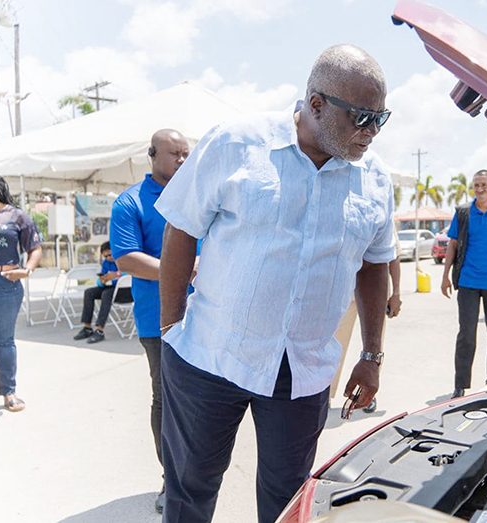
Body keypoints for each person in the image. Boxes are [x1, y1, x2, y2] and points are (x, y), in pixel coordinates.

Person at [155, 44, 395, 523]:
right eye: (361, 117)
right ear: (317, 103)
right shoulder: (235, 144)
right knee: (190, 493)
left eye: (380, 118)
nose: (370, 132)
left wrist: (371, 355)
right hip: (209, 357)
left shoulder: (374, 178)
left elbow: (374, 266)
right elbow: (180, 229)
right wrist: (171, 330)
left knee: (289, 502)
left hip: (302, 374)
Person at [109, 128, 189, 514]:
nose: (182, 160)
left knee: (202, 399)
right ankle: (170, 479)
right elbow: (126, 259)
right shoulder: (131, 203)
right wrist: (182, 271)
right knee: (167, 398)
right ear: (153, 155)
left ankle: (194, 474)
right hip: (158, 320)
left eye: (187, 154)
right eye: (175, 154)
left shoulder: (194, 193)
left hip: (206, 314)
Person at [440, 170, 487, 399]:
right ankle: (460, 385)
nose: (479, 189)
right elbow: (453, 244)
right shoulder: (463, 213)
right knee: (466, 335)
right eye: (476, 185)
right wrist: (445, 275)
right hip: (468, 282)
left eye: (483, 185)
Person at [331, 247, 401, 413]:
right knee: (335, 342)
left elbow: (394, 257)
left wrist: (396, 293)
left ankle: (367, 394)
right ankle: (325, 391)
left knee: (374, 348)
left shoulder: (385, 221)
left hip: (375, 294)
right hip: (344, 292)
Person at [0, 174, 42, 413]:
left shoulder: (17, 216)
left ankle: (8, 392)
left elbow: (35, 248)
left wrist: (27, 270)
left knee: (3, 340)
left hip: (5, 281)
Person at [73, 241, 132, 344]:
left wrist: (116, 275)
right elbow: (102, 280)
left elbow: (130, 274)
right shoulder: (106, 263)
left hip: (125, 291)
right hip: (111, 288)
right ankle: (87, 327)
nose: (109, 257)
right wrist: (101, 281)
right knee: (89, 292)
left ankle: (99, 330)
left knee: (106, 294)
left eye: (110, 254)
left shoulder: (124, 259)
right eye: (106, 256)